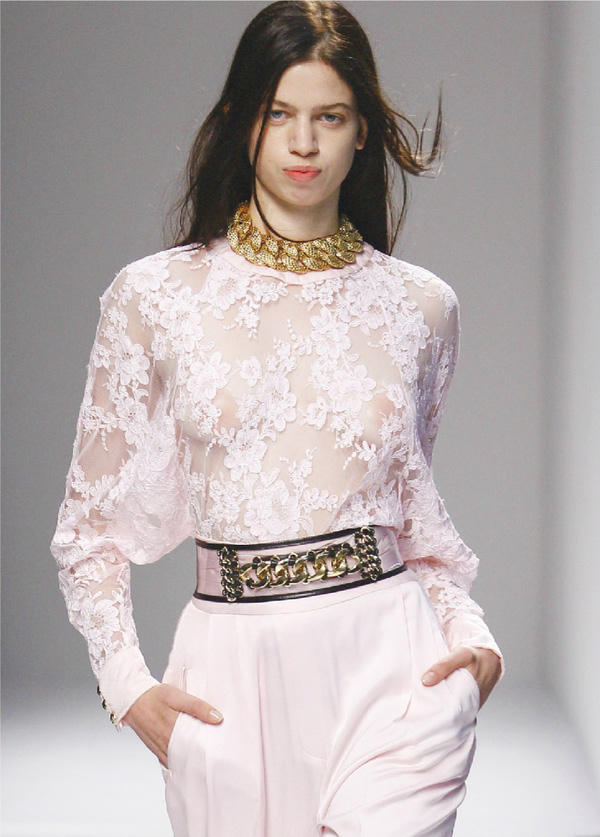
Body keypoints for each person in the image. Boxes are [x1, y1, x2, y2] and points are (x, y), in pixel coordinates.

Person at [50, 2, 504, 834]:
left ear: (361, 131)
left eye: (329, 116)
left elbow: (415, 520)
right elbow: (87, 532)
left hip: (394, 666)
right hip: (230, 679)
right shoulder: (154, 298)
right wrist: (127, 686)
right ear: (240, 121)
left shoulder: (421, 308)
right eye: (278, 113)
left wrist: (474, 644)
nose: (303, 142)